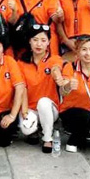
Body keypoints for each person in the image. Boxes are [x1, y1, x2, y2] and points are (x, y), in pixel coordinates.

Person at [17, 25, 63, 153]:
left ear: (48, 42)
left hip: (50, 107)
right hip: (30, 107)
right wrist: (24, 112)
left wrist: (58, 76)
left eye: (43, 40)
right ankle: (36, 130)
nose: (39, 44)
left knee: (43, 102)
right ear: (29, 41)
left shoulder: (54, 59)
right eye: (35, 40)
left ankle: (47, 138)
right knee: (26, 129)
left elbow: (56, 68)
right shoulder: (21, 63)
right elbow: (22, 88)